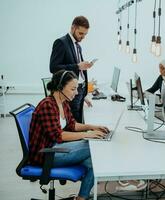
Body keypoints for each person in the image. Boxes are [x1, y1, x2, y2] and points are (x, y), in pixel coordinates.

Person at [29, 70, 110, 200]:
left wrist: (92, 127)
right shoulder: (47, 105)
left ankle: (81, 198)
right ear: (60, 87)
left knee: (96, 162)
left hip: (57, 148)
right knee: (94, 148)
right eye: (73, 89)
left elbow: (72, 125)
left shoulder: (63, 102)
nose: (76, 93)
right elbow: (58, 136)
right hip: (46, 155)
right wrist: (88, 135)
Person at [50, 16, 93, 123]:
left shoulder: (78, 46)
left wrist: (83, 67)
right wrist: (78, 66)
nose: (83, 37)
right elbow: (53, 67)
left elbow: (76, 68)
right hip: (70, 91)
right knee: (74, 124)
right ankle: (78, 139)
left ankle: (81, 138)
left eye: (85, 34)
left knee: (80, 123)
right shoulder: (61, 43)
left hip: (80, 90)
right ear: (73, 28)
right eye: (81, 33)